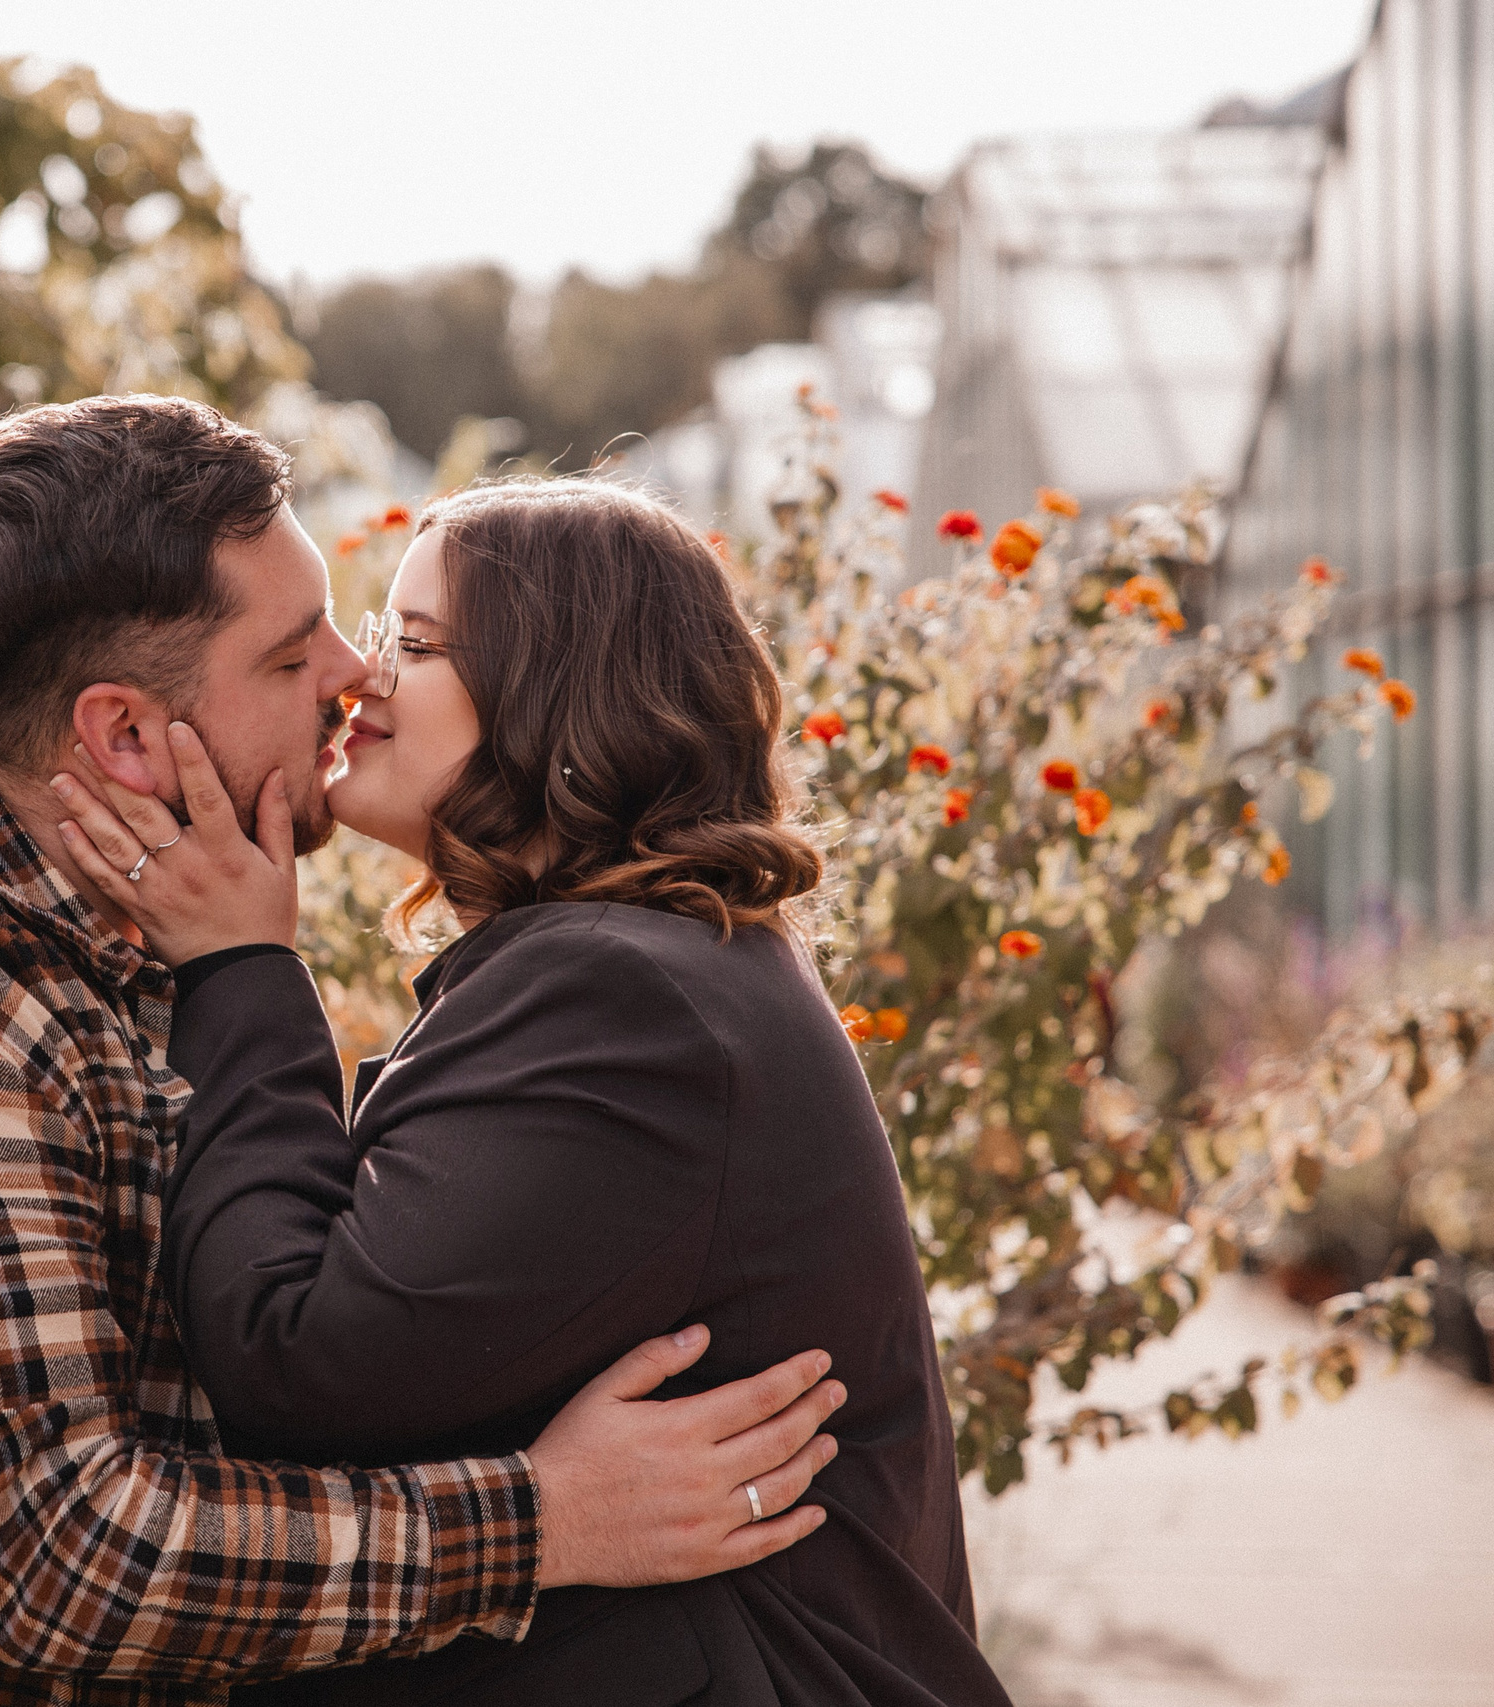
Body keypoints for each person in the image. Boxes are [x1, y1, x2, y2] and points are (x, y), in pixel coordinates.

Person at [0, 399, 848, 1707]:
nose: (353, 675)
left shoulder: (126, 921)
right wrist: (543, 1522)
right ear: (124, 735)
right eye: (295, 657)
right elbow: (65, 1561)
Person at [50, 477, 1013, 1706]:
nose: (360, 680)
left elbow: (293, 1360)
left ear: (561, 687)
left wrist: (240, 971)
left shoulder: (622, 991)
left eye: (417, 644)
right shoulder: (652, 966)